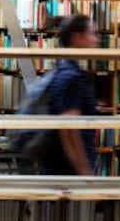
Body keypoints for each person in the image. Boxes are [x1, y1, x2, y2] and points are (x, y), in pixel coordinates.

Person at [41, 14, 99, 175]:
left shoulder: (64, 70)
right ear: (77, 37)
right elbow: (69, 130)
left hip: (61, 164)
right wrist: (84, 170)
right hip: (67, 168)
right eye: (92, 34)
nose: (97, 40)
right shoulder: (71, 76)